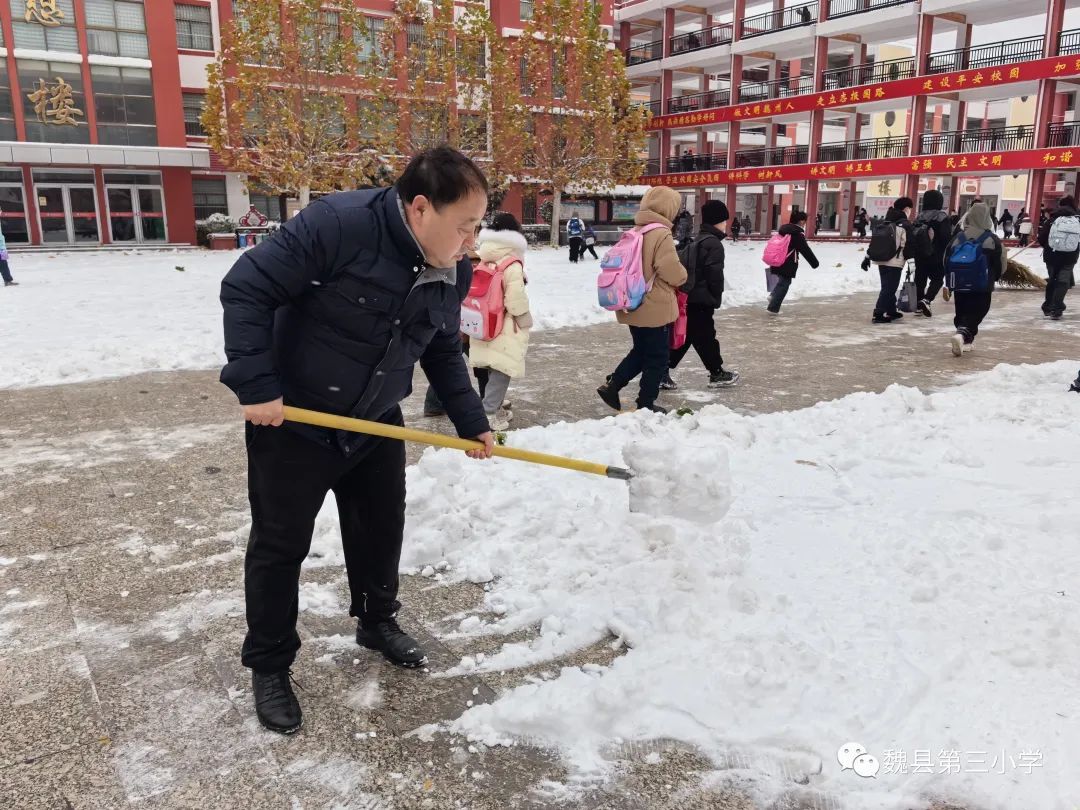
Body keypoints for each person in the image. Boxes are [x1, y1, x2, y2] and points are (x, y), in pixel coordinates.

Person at [219, 146, 495, 735]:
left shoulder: (454, 264)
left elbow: (442, 343)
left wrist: (471, 420)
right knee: (279, 544)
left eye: (479, 226)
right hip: (293, 418)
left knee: (380, 526)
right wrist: (257, 383)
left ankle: (376, 620)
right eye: (465, 225)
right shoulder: (336, 225)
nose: (472, 240)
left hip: (374, 419)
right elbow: (246, 288)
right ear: (421, 208)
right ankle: (269, 664)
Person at [597, 186, 687, 414]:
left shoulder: (638, 229)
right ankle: (646, 403)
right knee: (658, 357)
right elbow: (670, 270)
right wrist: (683, 276)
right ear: (669, 208)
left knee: (641, 350)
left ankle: (613, 385)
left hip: (632, 301)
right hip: (654, 305)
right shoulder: (661, 233)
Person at [664, 200, 739, 390]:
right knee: (705, 337)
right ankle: (716, 373)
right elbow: (714, 275)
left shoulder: (699, 239)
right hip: (702, 299)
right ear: (717, 221)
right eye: (724, 220)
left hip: (692, 297)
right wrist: (715, 297)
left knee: (688, 336)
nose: (726, 224)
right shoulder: (714, 244)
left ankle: (662, 372)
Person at [468, 213, 532, 431]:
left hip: (483, 320)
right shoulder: (511, 263)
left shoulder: (485, 257)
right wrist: (525, 320)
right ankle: (487, 414)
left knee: (490, 366)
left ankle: (493, 407)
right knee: (502, 370)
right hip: (504, 324)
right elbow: (515, 301)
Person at [943, 202, 1005, 355]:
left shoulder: (958, 237)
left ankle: (966, 340)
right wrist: (994, 278)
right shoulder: (991, 239)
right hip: (981, 284)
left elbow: (946, 259)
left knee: (962, 309)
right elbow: (1000, 263)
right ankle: (963, 334)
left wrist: (950, 280)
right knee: (979, 310)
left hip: (960, 283)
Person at [867, 197, 912, 324]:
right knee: (890, 287)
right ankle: (879, 312)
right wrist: (911, 261)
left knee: (887, 286)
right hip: (895, 261)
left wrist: (867, 256)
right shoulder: (905, 224)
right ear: (906, 209)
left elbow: (874, 241)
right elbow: (909, 245)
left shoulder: (885, 221)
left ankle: (891, 309)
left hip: (882, 259)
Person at [766, 210, 819, 314]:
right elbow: (805, 250)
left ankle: (773, 295)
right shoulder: (797, 234)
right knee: (784, 283)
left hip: (777, 259)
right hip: (787, 262)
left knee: (782, 282)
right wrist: (815, 263)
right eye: (805, 221)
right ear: (802, 221)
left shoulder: (784, 229)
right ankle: (773, 309)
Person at [1037, 195, 1079, 320]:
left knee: (1053, 280)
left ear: (1060, 205)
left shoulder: (1052, 219)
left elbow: (1042, 238)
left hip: (1052, 255)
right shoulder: (1077, 220)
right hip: (1069, 257)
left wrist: (1049, 247)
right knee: (1063, 282)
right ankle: (1057, 309)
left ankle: (1048, 307)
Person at [911, 189, 952, 317]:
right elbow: (946, 237)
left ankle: (918, 304)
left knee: (920, 279)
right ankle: (927, 300)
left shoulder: (919, 217)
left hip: (920, 254)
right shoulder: (942, 217)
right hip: (936, 254)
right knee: (937, 279)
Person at [0, 222, 15, 286]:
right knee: (3, 265)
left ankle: (8, 280)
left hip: (2, 248)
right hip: (1, 249)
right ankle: (7, 280)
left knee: (4, 264)